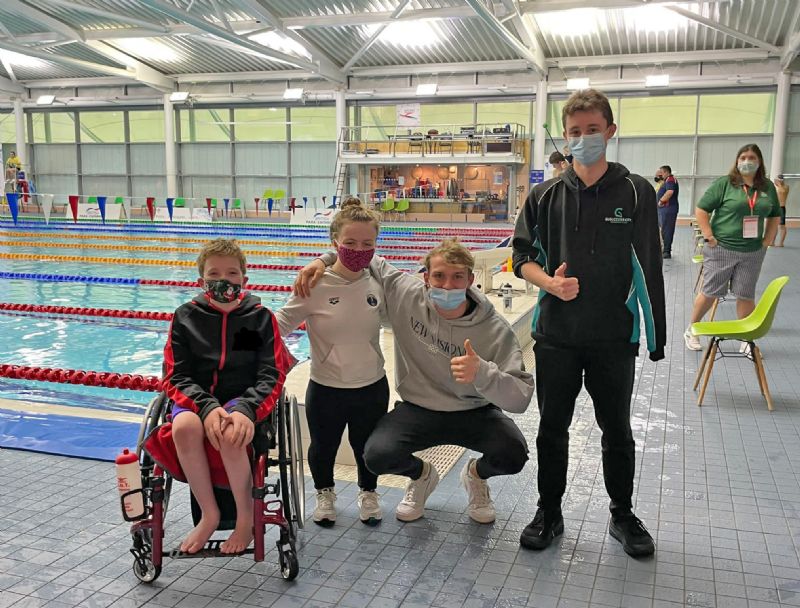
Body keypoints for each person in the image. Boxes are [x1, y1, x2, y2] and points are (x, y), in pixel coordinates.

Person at [512, 88, 666, 557]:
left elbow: (650, 264)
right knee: (551, 430)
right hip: (556, 335)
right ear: (565, 135)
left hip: (613, 337)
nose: (584, 139)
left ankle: (623, 514)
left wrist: (655, 336)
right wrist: (550, 285)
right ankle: (549, 512)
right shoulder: (543, 195)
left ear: (610, 131)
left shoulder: (638, 190)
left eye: (593, 130)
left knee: (616, 429)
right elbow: (520, 258)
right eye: (575, 132)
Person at [296, 239, 534, 525]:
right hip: (418, 408)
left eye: (458, 277)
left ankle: (476, 476)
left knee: (513, 454)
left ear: (471, 280)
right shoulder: (407, 294)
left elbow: (520, 398)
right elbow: (363, 253)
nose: (447, 286)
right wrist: (323, 259)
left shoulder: (494, 329)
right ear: (425, 277)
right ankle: (421, 475)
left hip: (474, 412)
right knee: (376, 455)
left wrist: (483, 373)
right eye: (439, 276)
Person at [160, 238, 292, 554]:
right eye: (215, 273)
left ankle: (245, 519)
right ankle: (209, 514)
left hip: (242, 401)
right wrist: (206, 407)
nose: (224, 281)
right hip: (195, 399)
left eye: (232, 274)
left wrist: (246, 408)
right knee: (184, 428)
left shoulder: (260, 318)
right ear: (201, 281)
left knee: (232, 432)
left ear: (245, 280)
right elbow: (174, 375)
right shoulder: (185, 317)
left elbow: (271, 374)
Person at [275, 197, 389, 527]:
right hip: (326, 386)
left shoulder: (377, 281)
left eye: (367, 243)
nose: (359, 249)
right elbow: (280, 323)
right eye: (350, 242)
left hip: (371, 384)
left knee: (366, 447)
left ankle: (369, 492)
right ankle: (324, 493)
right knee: (323, 447)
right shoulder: (314, 284)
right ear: (334, 242)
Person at [683, 144, 781, 351]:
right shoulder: (725, 184)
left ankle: (745, 339)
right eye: (743, 157)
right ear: (737, 161)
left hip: (753, 251)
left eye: (752, 157)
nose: (747, 161)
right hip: (722, 248)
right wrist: (709, 236)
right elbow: (701, 209)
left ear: (760, 161)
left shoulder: (767, 187)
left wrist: (767, 241)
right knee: (710, 292)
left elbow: (774, 215)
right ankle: (693, 329)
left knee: (746, 294)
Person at [654, 165, 679, 259]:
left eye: (661, 172)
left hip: (668, 210)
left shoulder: (670, 180)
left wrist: (661, 201)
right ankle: (664, 249)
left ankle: (666, 251)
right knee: (663, 230)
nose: (660, 175)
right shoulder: (666, 181)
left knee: (667, 230)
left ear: (665, 172)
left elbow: (670, 192)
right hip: (663, 210)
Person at [771, 174, 789, 247]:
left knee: (782, 226)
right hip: (776, 208)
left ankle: (781, 243)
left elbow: (783, 191)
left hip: (781, 208)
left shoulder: (785, 187)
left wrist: (779, 184)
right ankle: (772, 242)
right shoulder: (778, 188)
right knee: (774, 225)